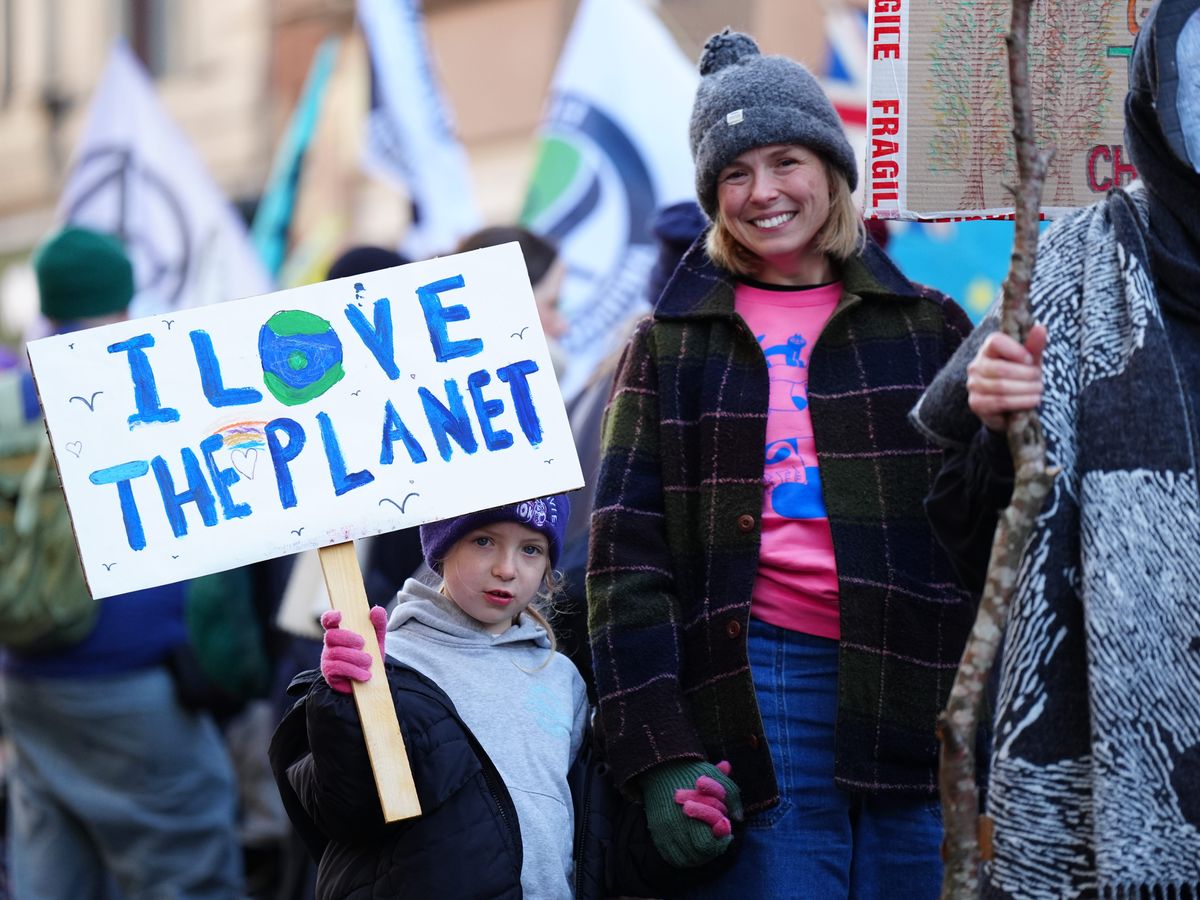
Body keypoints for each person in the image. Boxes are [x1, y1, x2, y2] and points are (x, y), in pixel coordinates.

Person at [585, 30, 980, 897]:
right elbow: (624, 571)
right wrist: (658, 755)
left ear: (830, 169)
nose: (762, 192)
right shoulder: (669, 347)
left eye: (784, 160)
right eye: (734, 173)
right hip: (760, 686)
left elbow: (987, 536)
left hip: (922, 690)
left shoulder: (931, 328)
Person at [911, 1, 1200, 895]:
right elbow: (971, 547)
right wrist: (1004, 435)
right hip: (1101, 772)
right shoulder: (1064, 271)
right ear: (1159, 98)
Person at [0, 226, 244, 898]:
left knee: (53, 872)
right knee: (187, 870)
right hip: (132, 685)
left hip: (26, 679)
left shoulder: (9, 394)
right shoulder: (132, 391)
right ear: (123, 302)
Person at [277, 494, 595, 898]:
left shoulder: (561, 677)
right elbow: (344, 810)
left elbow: (587, 820)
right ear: (441, 548)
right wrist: (343, 705)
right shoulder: (388, 660)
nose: (506, 568)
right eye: (483, 541)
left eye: (531, 549)